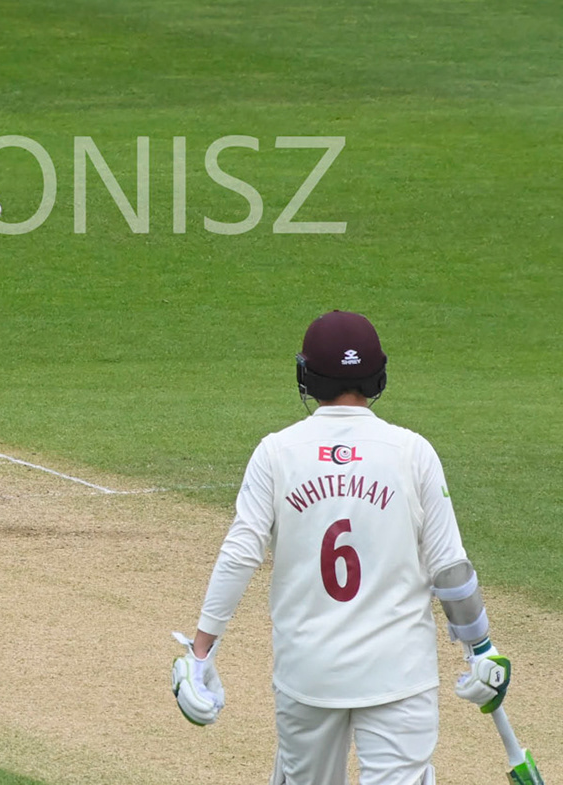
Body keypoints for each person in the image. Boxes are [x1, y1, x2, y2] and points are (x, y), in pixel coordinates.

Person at [171, 310, 516, 784]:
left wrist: (201, 653)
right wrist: (481, 649)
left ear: (306, 377)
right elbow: (450, 569)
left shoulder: (276, 452)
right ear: (379, 377)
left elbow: (240, 555)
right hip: (399, 673)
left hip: (308, 675)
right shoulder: (412, 451)